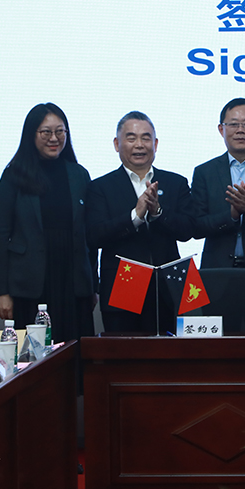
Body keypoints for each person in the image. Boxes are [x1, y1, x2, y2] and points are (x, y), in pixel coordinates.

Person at [0, 103, 95, 342]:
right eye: (46, 132)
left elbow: (89, 235)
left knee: (75, 348)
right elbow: (0, 234)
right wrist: (4, 292)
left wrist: (92, 286)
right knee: (35, 353)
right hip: (31, 282)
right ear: (31, 134)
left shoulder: (79, 174)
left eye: (60, 131)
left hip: (72, 279)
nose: (54, 138)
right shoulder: (14, 175)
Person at [87, 112, 195, 335]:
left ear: (155, 144)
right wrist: (135, 216)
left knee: (172, 353)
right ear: (117, 144)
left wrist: (158, 213)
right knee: (126, 352)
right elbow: (95, 236)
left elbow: (188, 230)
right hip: (124, 282)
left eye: (146, 138)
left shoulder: (176, 182)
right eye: (131, 138)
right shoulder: (100, 187)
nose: (139, 145)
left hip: (168, 286)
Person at [191, 98, 245, 269]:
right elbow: (196, 227)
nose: (240, 130)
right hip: (217, 269)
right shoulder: (205, 172)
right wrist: (231, 215)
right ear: (221, 129)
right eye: (233, 124)